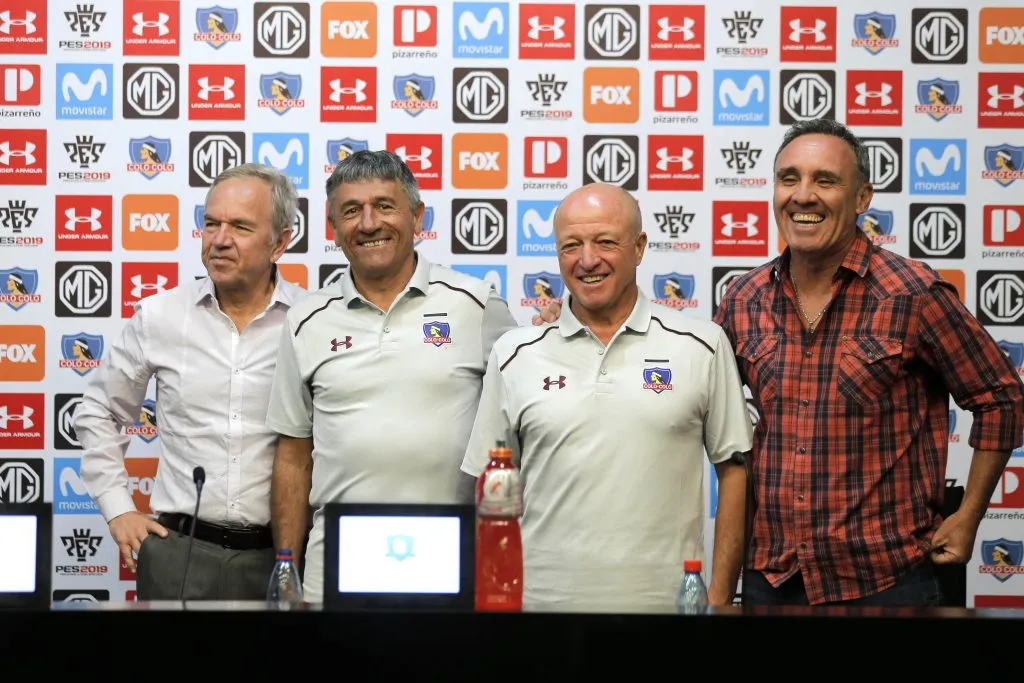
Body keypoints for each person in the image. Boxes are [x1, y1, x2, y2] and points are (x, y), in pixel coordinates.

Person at [713, 118, 1024, 606]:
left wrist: (968, 517)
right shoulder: (742, 298)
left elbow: (1001, 398)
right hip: (771, 580)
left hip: (886, 582)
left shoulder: (912, 292)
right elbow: (706, 416)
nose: (804, 195)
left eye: (826, 180)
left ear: (862, 198)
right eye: (789, 179)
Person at [461, 183, 753, 611]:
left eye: (605, 242)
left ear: (638, 247)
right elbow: (488, 491)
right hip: (541, 609)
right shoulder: (515, 353)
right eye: (571, 246)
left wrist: (720, 597)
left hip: (666, 608)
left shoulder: (701, 345)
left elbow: (734, 471)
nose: (587, 260)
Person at [266, 150, 518, 602]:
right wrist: (287, 566)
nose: (368, 223)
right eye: (351, 211)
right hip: (338, 561)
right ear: (333, 229)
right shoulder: (306, 320)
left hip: (453, 554)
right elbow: (293, 454)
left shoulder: (477, 305)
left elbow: (523, 421)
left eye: (384, 206)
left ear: (417, 216)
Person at [75, 163, 306, 600]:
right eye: (211, 223)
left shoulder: (310, 320)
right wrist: (118, 509)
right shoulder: (161, 316)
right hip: (177, 554)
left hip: (281, 557)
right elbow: (98, 411)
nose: (220, 239)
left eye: (240, 226)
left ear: (279, 242)